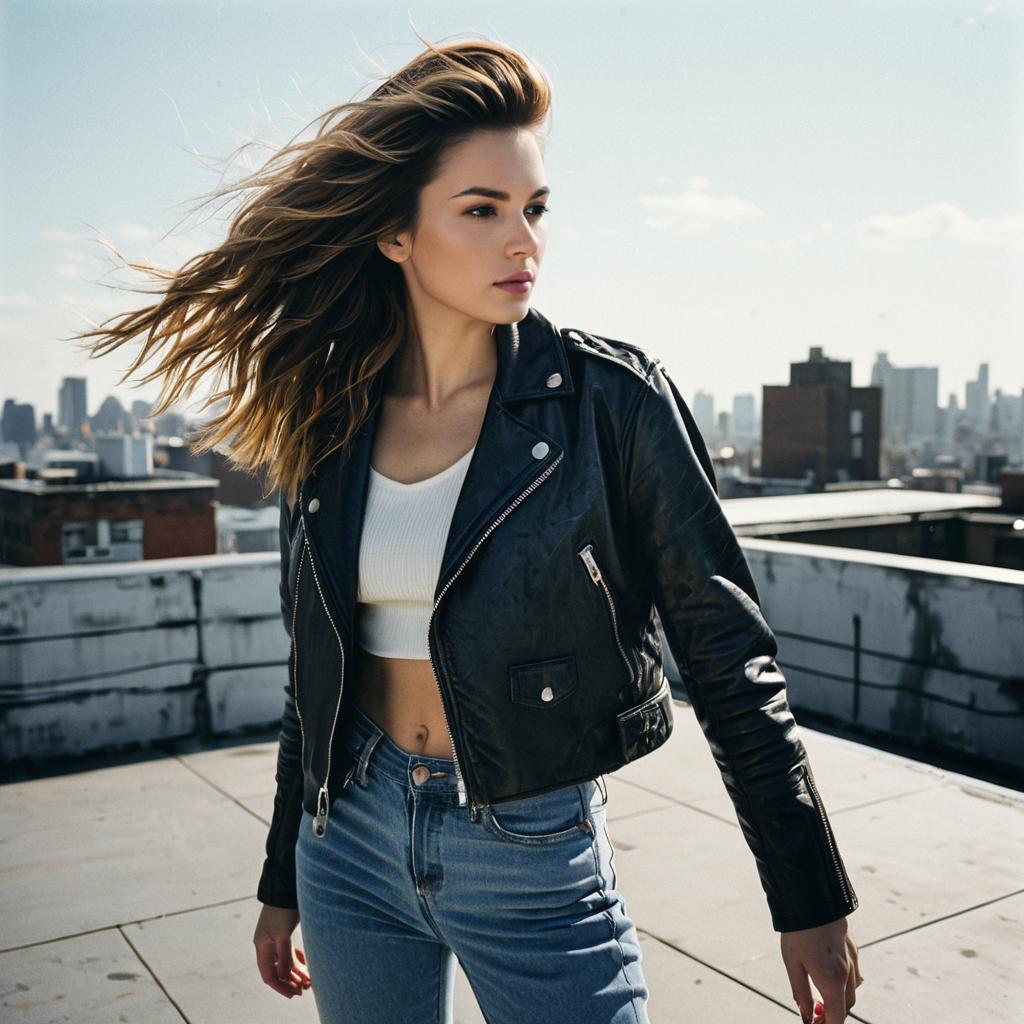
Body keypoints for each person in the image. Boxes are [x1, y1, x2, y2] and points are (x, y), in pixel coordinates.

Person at [72, 33, 863, 1024]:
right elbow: (314, 672)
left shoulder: (608, 403)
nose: (522, 239)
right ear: (395, 232)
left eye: (532, 209)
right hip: (349, 840)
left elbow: (726, 651)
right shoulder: (332, 418)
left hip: (531, 849)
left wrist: (808, 893)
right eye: (482, 211)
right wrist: (284, 873)